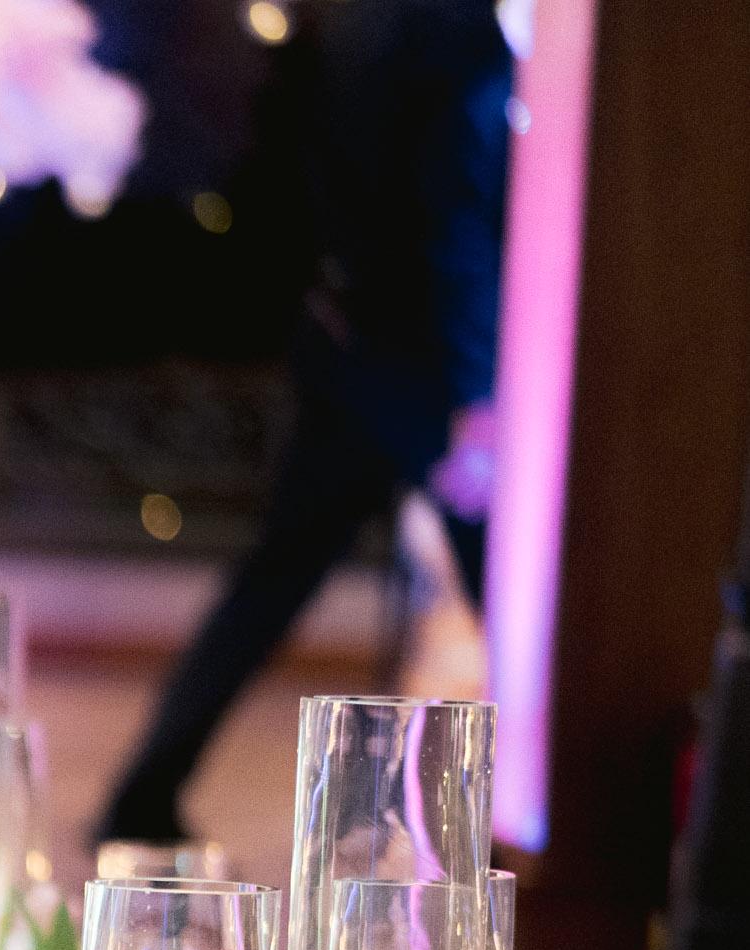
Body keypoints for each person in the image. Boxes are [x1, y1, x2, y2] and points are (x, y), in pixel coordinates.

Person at [96, 0, 514, 846]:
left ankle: (142, 795)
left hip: (345, 336)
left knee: (269, 586)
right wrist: (476, 396)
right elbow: (458, 217)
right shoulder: (454, 29)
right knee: (517, 595)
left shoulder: (350, 22)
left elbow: (305, 171)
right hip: (423, 367)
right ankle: (572, 828)